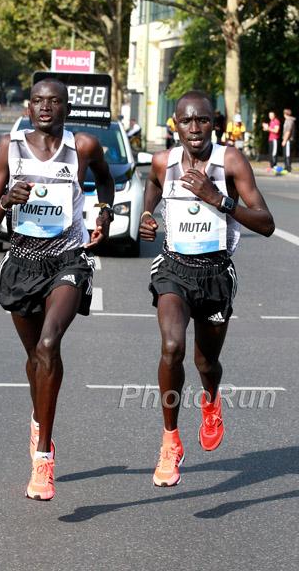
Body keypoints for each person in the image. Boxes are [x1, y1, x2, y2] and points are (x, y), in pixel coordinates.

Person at [0, 79, 115, 501]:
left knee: (49, 344)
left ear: (66, 108)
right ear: (28, 107)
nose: (45, 107)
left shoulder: (84, 146)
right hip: (22, 262)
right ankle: (39, 417)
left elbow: (105, 180)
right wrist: (7, 201)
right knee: (35, 357)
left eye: (54, 101)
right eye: (38, 101)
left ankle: (43, 458)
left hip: (68, 259)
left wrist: (104, 212)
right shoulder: (9, 148)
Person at [139, 90, 274, 488]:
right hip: (173, 268)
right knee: (171, 347)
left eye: (202, 120)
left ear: (214, 123)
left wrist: (219, 200)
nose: (194, 128)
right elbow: (152, 184)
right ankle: (170, 441)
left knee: (206, 363)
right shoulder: (163, 162)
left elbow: (266, 223)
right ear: (175, 125)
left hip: (215, 273)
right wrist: (147, 213)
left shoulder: (230, 161)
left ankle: (211, 401)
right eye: (186, 121)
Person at [282, 108, 296, 173]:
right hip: (287, 140)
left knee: (287, 154)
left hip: (288, 140)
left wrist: (284, 140)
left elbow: (288, 131)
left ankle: (288, 167)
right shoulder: (288, 120)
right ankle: (286, 166)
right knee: (286, 153)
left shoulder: (289, 121)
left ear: (285, 114)